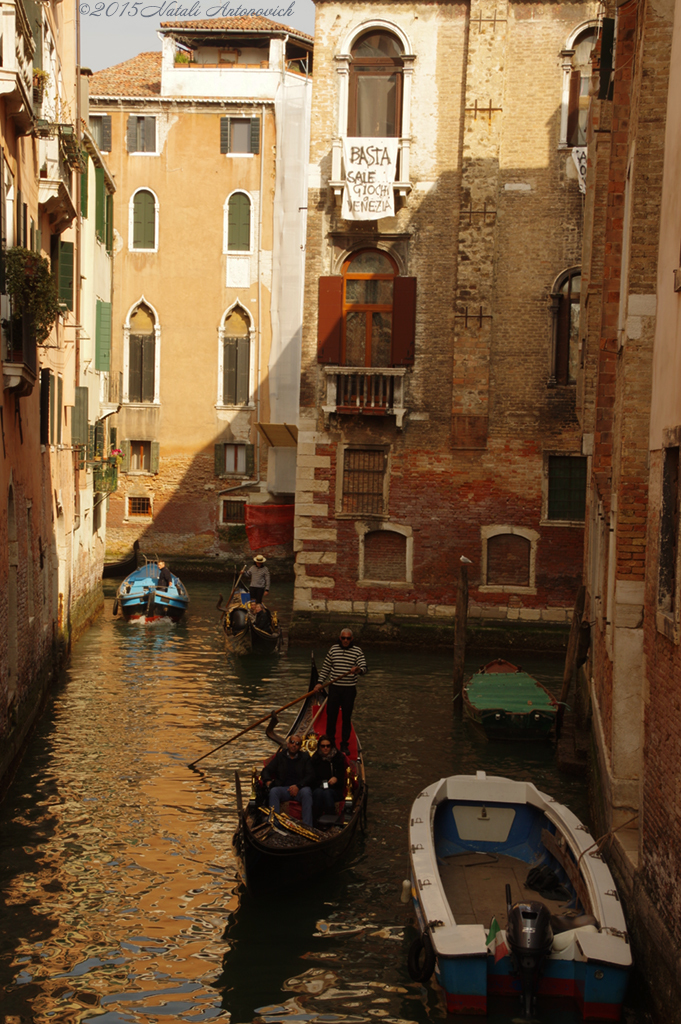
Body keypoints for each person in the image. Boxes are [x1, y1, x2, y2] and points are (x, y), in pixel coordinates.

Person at [316, 629, 367, 755]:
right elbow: (326, 667)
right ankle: (330, 743)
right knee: (331, 717)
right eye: (343, 638)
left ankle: (344, 744)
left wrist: (358, 669)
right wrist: (319, 682)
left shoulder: (357, 651)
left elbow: (364, 668)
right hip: (334, 688)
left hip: (349, 690)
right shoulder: (333, 649)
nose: (345, 640)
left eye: (348, 639)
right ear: (340, 638)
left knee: (346, 718)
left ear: (351, 639)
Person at [261, 734, 314, 826]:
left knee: (307, 792)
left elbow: (310, 775)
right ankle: (275, 824)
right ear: (288, 744)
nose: (294, 745)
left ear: (300, 746)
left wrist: (298, 786)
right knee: (274, 791)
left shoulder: (305, 757)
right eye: (292, 742)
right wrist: (268, 781)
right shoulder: (280, 756)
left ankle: (307, 826)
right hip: (283, 788)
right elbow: (266, 770)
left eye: (297, 743)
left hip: (299, 789)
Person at [310, 734, 346, 819]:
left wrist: (336, 779)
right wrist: (323, 783)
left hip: (335, 789)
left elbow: (342, 778)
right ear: (319, 747)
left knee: (327, 793)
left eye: (328, 746)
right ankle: (315, 821)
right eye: (323, 746)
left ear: (331, 746)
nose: (325, 748)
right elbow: (312, 778)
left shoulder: (338, 758)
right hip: (318, 787)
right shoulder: (315, 759)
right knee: (318, 793)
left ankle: (330, 821)